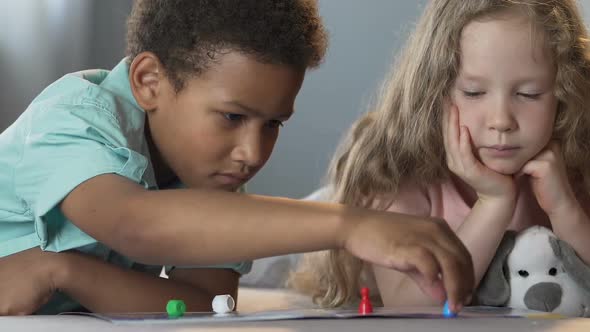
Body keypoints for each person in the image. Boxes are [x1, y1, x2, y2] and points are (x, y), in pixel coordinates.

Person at [0, 0, 473, 315]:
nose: (252, 154)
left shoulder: (211, 176)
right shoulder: (73, 119)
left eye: (273, 124)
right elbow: (135, 224)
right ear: (149, 83)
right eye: (231, 117)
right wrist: (348, 224)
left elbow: (205, 304)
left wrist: (64, 272)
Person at [291, 0, 590, 308]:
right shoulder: (398, 174)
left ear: (565, 92)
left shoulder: (571, 171)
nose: (501, 120)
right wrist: (494, 203)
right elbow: (410, 303)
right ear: (435, 93)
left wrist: (564, 208)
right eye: (473, 92)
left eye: (529, 94)